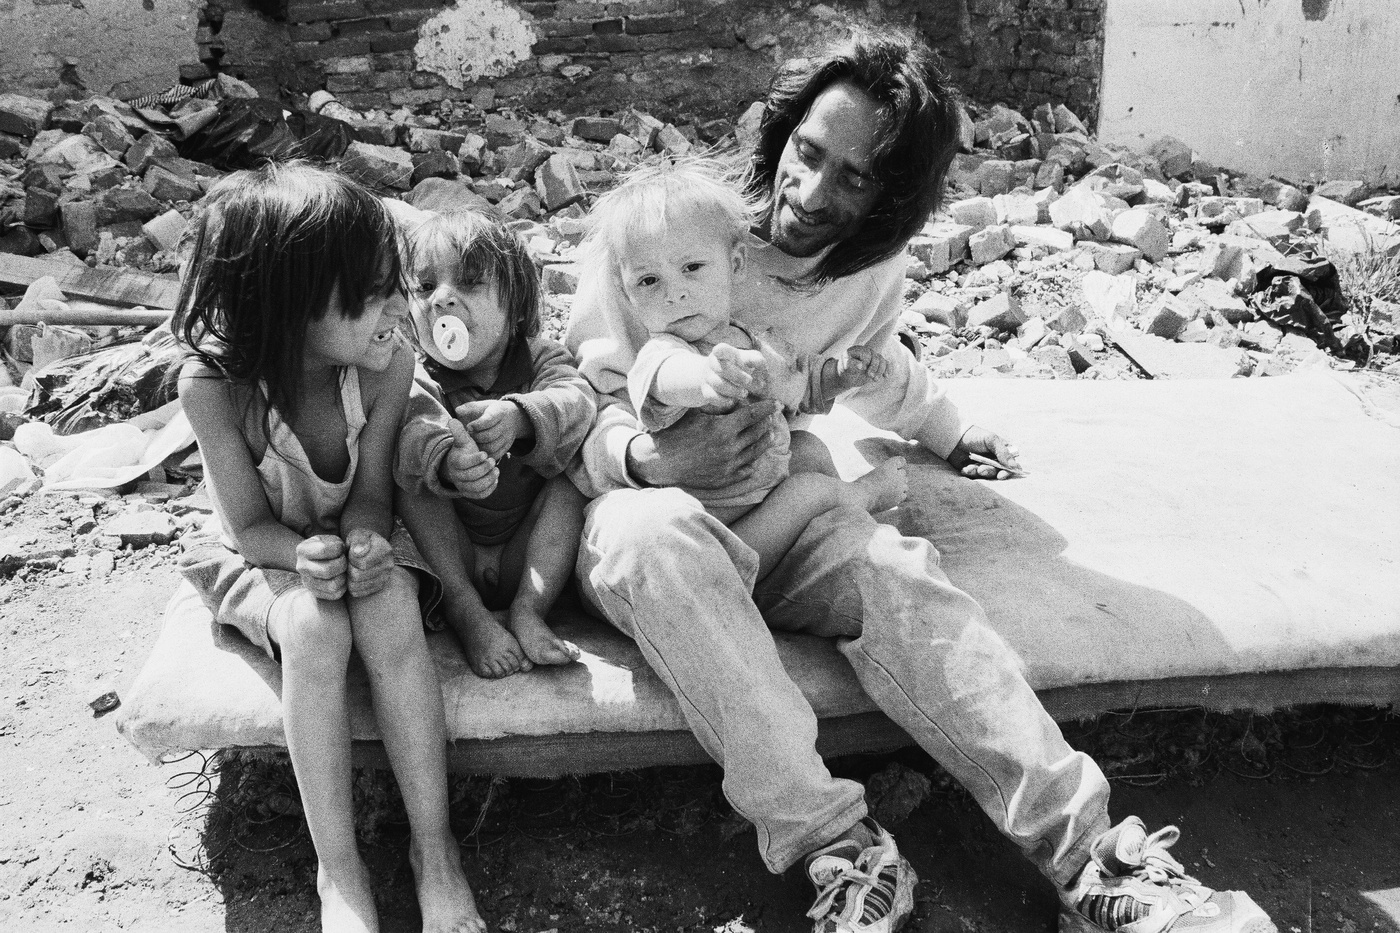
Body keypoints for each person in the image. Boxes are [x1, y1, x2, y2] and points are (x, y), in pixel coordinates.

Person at [565, 28, 1277, 933]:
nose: (810, 192)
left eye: (853, 178)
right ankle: (841, 849)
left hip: (774, 514)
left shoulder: (869, 270)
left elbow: (878, 364)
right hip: (647, 517)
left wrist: (951, 429)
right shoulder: (667, 230)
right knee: (653, 535)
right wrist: (648, 461)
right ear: (783, 132)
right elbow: (569, 402)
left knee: (894, 569)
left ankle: (1094, 858)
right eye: (806, 153)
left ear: (890, 198)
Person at [174, 163, 484, 933]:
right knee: (315, 627)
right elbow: (250, 527)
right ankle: (339, 871)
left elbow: (373, 493)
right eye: (372, 295)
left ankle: (435, 850)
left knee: (389, 607)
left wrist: (367, 539)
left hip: (351, 537)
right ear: (290, 306)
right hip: (263, 555)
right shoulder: (213, 388)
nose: (400, 310)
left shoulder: (386, 366)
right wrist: (302, 557)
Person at [582, 158, 908, 577]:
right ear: (627, 294)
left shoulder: (754, 339)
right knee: (806, 492)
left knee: (809, 449)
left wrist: (843, 376)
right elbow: (666, 378)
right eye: (649, 281)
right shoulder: (664, 352)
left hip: (757, 497)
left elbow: (802, 386)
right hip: (719, 534)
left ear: (735, 264)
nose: (674, 294)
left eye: (691, 268)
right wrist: (705, 378)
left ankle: (832, 529)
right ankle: (863, 496)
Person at [392, 207, 595, 678]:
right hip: (454, 556)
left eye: (469, 283)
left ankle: (529, 609)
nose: (443, 299)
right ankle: (467, 613)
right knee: (411, 483)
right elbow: (410, 429)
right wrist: (445, 463)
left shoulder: (540, 359)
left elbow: (578, 401)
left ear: (517, 305)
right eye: (425, 287)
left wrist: (523, 417)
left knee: (574, 482)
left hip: (527, 551)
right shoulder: (416, 375)